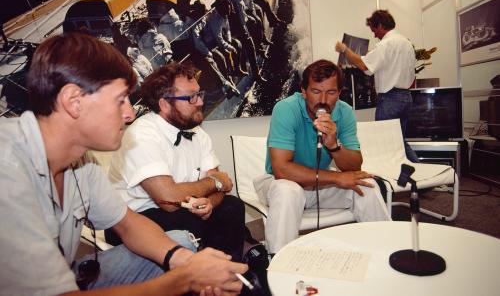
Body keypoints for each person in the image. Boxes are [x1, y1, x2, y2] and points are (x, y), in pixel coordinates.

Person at [0, 32, 247, 295]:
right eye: (120, 100)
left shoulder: (83, 160)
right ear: (73, 101)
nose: (129, 114)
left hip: (70, 273)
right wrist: (184, 278)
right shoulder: (7, 167)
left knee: (180, 241)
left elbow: (127, 223)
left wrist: (188, 261)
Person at [106, 61, 246, 263]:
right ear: (164, 104)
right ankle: (199, 279)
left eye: (199, 94)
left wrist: (209, 202)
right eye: (191, 97)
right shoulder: (142, 134)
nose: (199, 102)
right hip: (132, 219)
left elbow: (219, 190)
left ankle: (226, 275)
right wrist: (215, 182)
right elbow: (168, 200)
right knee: (188, 222)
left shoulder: (197, 132)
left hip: (181, 207)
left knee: (232, 207)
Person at [253, 59, 391, 254]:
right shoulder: (286, 109)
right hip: (279, 183)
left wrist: (333, 145)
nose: (323, 100)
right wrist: (336, 177)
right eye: (316, 91)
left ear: (339, 93)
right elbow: (281, 170)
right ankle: (277, 262)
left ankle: (385, 249)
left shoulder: (345, 112)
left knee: (366, 184)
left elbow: (354, 166)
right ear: (303, 91)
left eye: (331, 92)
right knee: (287, 191)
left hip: (321, 183)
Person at [334, 9, 419, 162]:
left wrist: (344, 49)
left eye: (374, 30)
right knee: (399, 142)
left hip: (390, 99)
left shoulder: (386, 44)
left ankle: (420, 172)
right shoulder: (407, 44)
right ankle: (419, 175)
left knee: (386, 143)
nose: (374, 35)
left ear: (380, 25)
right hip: (406, 97)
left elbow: (364, 65)